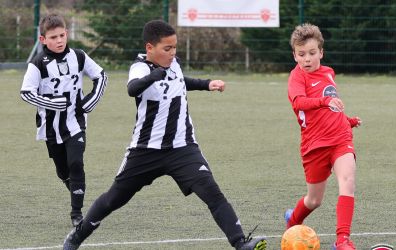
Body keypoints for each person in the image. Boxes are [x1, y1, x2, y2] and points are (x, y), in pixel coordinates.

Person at [63, 20, 266, 250]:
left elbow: (180, 82)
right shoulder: (140, 68)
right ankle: (77, 237)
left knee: (212, 193)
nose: (173, 53)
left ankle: (241, 243)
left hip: (183, 147)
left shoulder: (174, 64)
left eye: (175, 48)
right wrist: (154, 75)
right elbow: (133, 89)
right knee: (113, 199)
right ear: (150, 48)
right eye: (167, 49)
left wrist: (207, 84)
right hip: (145, 150)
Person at [20, 14, 108, 227]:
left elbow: (101, 76)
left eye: (61, 35)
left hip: (76, 122)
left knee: (76, 162)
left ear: (67, 34)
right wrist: (52, 102)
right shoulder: (37, 64)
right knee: (63, 170)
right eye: (53, 37)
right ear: (43, 40)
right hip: (51, 128)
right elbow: (26, 93)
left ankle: (76, 214)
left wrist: (90, 101)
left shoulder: (79, 56)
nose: (58, 41)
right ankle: (76, 192)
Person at [285, 23, 362, 250]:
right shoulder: (296, 78)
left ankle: (342, 240)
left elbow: (331, 107)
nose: (307, 59)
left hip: (340, 139)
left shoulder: (328, 72)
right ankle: (293, 220)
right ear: (294, 56)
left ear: (321, 52)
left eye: (311, 53)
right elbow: (299, 102)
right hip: (314, 145)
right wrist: (325, 102)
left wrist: (347, 120)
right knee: (314, 200)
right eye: (301, 54)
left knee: (347, 182)